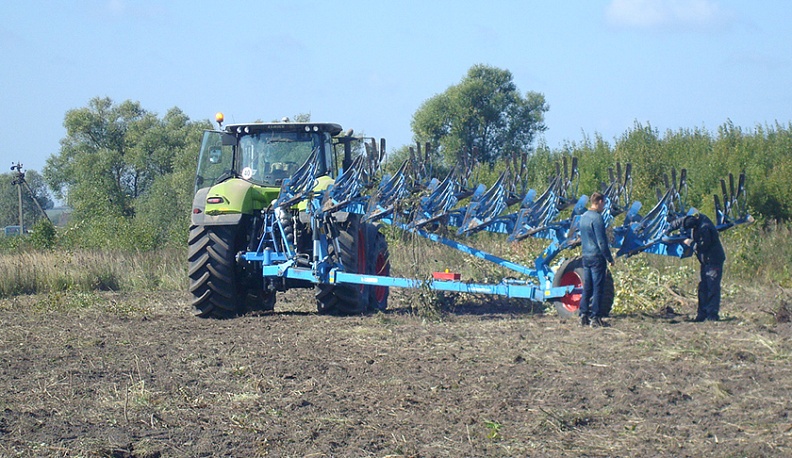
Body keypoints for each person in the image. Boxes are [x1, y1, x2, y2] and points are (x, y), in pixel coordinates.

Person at [667, 212, 725, 321]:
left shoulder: (705, 228)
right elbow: (679, 221)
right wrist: (668, 229)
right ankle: (701, 314)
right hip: (705, 261)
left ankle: (712, 315)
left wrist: (691, 243)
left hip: (713, 260)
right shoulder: (692, 218)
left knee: (712, 287)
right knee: (703, 287)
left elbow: (703, 246)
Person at [578, 192, 615, 327]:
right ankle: (596, 318)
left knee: (587, 287)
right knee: (598, 288)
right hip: (597, 257)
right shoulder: (597, 218)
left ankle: (583, 315)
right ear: (598, 202)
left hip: (586, 256)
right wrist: (609, 258)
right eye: (603, 203)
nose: (604, 206)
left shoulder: (583, 217)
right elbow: (601, 242)